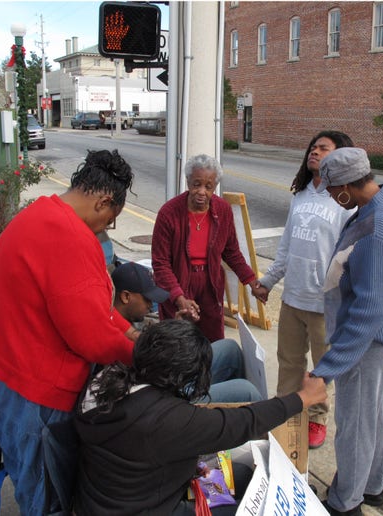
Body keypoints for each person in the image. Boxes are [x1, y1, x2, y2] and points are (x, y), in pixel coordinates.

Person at [0, 149, 137, 516]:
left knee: (22, 470)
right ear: (104, 201)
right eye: (110, 221)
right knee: (44, 496)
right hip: (33, 395)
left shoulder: (36, 214)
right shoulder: (72, 239)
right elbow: (92, 338)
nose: (105, 229)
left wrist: (128, 331)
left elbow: (91, 309)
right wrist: (142, 352)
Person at [74, 319, 328, 516]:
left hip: (112, 500)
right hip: (148, 509)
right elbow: (241, 423)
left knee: (239, 473)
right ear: (178, 377)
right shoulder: (167, 420)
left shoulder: (110, 380)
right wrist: (302, 399)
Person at [311, 148, 383, 516]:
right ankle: (372, 486)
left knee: (354, 425)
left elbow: (369, 311)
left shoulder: (377, 230)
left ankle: (345, 502)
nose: (332, 197)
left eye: (332, 189)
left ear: (346, 188)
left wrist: (328, 367)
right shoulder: (380, 204)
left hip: (371, 343)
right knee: (373, 414)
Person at [250, 130, 355, 449]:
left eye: (324, 149)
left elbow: (352, 253)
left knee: (323, 368)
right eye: (314, 146)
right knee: (289, 362)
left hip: (327, 303)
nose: (315, 151)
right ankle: (284, 412)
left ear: (339, 158)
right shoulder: (301, 195)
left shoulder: (344, 201)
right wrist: (267, 281)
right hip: (293, 297)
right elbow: (286, 247)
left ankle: (317, 417)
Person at [110, 261, 261, 403]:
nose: (151, 305)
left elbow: (153, 349)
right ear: (126, 297)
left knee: (230, 349)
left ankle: (232, 419)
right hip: (161, 399)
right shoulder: (113, 334)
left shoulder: (120, 319)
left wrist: (176, 329)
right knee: (247, 391)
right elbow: (159, 366)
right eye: (147, 299)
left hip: (166, 382)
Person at [152, 154, 262, 342]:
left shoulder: (223, 210)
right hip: (178, 282)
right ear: (188, 182)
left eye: (208, 187)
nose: (202, 191)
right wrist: (179, 298)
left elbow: (232, 251)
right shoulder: (168, 213)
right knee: (177, 342)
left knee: (212, 340)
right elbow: (160, 264)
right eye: (196, 184)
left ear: (215, 187)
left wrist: (251, 281)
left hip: (210, 283)